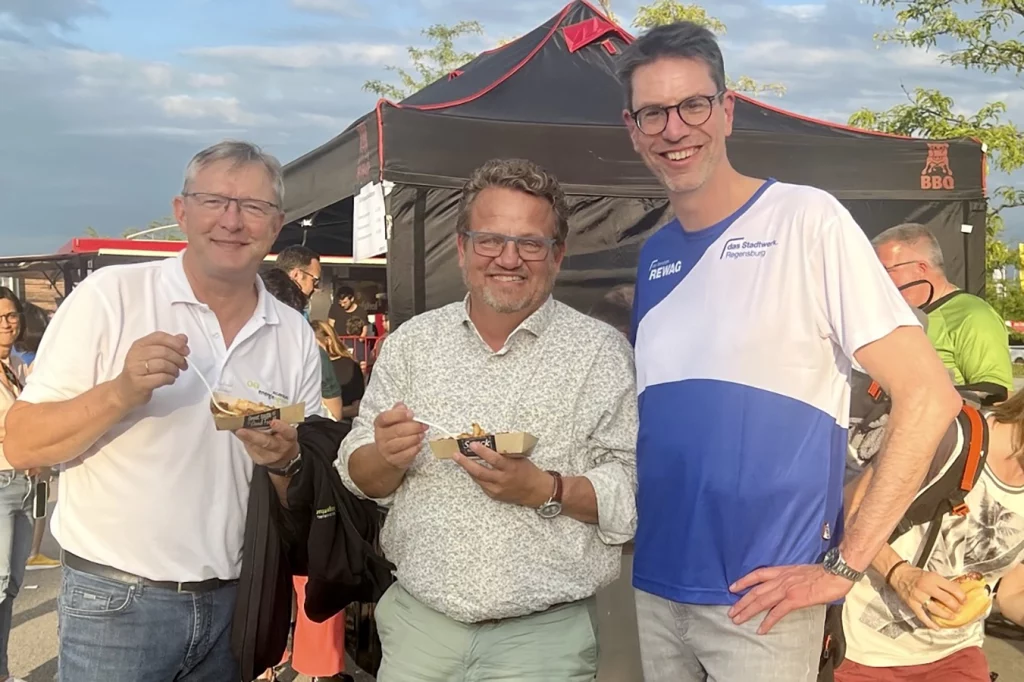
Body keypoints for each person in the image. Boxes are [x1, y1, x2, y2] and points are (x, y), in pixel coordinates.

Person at [618, 22, 963, 681]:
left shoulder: (807, 220)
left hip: (764, 602)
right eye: (653, 112)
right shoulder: (656, 255)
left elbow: (930, 398)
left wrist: (847, 564)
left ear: (726, 110)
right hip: (658, 588)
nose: (673, 128)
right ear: (631, 128)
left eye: (692, 104)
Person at [3, 140, 323, 682]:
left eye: (253, 207)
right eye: (214, 201)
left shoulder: (291, 332)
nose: (232, 220)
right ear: (181, 212)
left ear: (277, 225)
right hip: (115, 604)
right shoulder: (113, 295)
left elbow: (307, 488)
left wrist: (286, 461)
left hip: (234, 604)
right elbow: (21, 442)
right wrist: (121, 391)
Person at [336, 158, 639, 681]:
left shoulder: (601, 354)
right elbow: (360, 476)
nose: (508, 258)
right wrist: (384, 457)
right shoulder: (412, 345)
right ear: (461, 248)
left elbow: (633, 492)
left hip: (543, 641)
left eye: (530, 243)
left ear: (557, 255)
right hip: (419, 630)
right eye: (490, 240)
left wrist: (542, 488)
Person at [837, 389, 1024, 681]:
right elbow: (849, 509)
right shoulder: (949, 436)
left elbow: (1010, 589)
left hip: (955, 654)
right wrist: (901, 575)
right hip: (864, 651)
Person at [873, 223, 1013, 404]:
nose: (878, 279)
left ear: (921, 269)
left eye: (885, 270)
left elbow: (996, 396)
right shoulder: (892, 316)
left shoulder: (974, 315)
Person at [12, 302, 59, 571]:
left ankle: (32, 550)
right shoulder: (35, 362)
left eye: (12, 317)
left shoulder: (19, 360)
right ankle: (33, 550)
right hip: (24, 456)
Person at [0, 289, 30, 682]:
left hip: (24, 483)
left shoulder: (17, 366)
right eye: (0, 316)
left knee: (12, 585)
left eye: (12, 314)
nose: (8, 322)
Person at [271, 261, 344, 420]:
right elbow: (335, 415)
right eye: (314, 280)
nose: (315, 288)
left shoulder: (310, 352)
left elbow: (332, 417)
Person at [312, 320, 364, 420]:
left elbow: (357, 408)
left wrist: (331, 412)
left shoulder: (350, 366)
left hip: (339, 426)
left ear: (328, 340)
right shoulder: (306, 367)